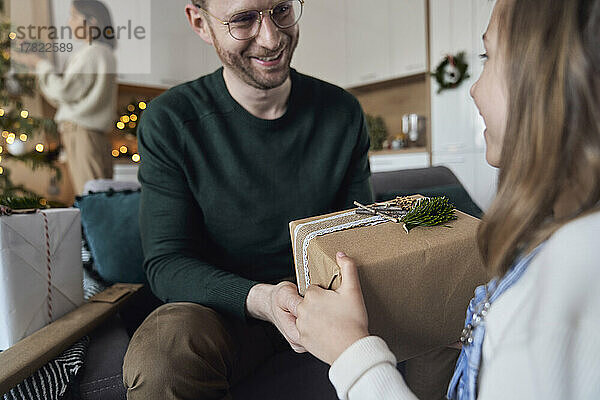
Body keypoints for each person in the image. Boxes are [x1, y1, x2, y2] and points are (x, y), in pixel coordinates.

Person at [295, 0, 600, 399]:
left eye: (488, 56)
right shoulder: (562, 242)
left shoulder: (563, 286)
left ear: (549, 80)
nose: (473, 88)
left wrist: (350, 350)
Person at [121, 0, 374, 399]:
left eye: (281, 10)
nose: (271, 38)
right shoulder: (170, 120)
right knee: (163, 355)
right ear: (201, 23)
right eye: (242, 20)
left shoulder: (342, 113)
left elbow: (359, 237)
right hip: (219, 313)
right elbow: (166, 263)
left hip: (324, 306)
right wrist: (265, 299)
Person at [26, 0, 117, 195]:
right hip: (83, 134)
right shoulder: (100, 53)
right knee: (94, 195)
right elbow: (65, 96)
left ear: (91, 21)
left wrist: (40, 64)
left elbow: (63, 91)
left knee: (92, 197)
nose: (69, 22)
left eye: (74, 16)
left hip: (82, 133)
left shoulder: (93, 53)